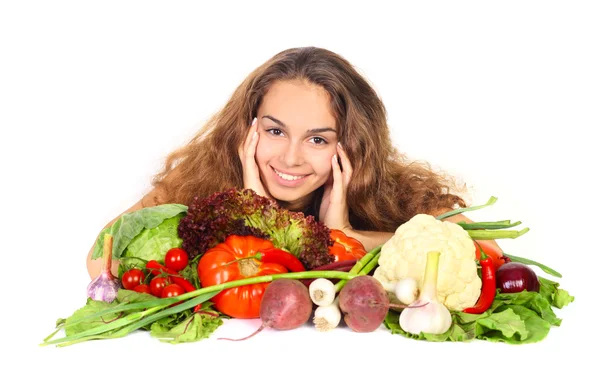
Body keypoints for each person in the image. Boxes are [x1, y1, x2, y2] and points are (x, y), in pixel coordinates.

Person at [86, 46, 484, 279]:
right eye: (275, 131)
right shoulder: (203, 176)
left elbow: (484, 247)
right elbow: (100, 256)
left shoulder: (387, 188)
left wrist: (345, 236)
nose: (291, 158)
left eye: (317, 139)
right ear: (247, 128)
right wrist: (251, 216)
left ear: (351, 145)